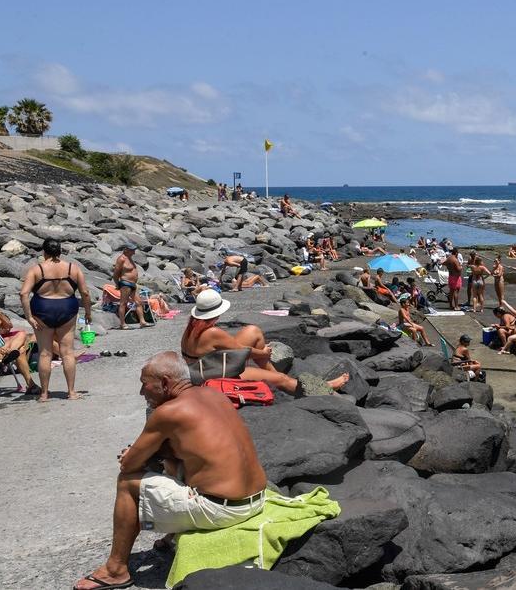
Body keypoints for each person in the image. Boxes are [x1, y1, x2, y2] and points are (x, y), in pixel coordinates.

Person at [72, 352, 268, 590]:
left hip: (222, 511)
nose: (142, 392)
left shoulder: (168, 413)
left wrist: (132, 454)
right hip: (257, 500)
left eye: (145, 384)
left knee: (127, 482)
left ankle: (116, 570)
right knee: (175, 459)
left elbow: (129, 465)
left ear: (165, 383)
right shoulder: (214, 393)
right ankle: (170, 537)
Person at [181, 290, 347, 395]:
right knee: (282, 379)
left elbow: (230, 348)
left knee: (252, 331)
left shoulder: (191, 329)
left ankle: (272, 374)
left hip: (207, 368)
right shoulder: (213, 332)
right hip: (215, 376)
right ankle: (324, 387)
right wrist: (264, 353)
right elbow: (242, 351)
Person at [20, 238, 92, 402]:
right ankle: (71, 392)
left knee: (45, 353)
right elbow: (85, 293)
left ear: (44, 252)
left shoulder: (37, 269)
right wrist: (88, 313)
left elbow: (23, 294)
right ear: (60, 252)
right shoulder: (72, 268)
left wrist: (29, 316)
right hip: (67, 309)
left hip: (42, 310)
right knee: (67, 353)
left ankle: (44, 394)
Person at [0, 308, 40, 396]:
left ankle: (10, 353)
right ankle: (31, 385)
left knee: (21, 334)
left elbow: (8, 326)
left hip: (2, 347)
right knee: (19, 352)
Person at [113, 244, 148, 329]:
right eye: (132, 250)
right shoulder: (121, 259)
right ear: (126, 250)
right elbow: (116, 273)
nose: (134, 251)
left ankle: (142, 321)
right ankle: (122, 323)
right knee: (123, 303)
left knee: (139, 302)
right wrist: (117, 284)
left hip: (133, 284)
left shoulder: (130, 258)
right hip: (125, 283)